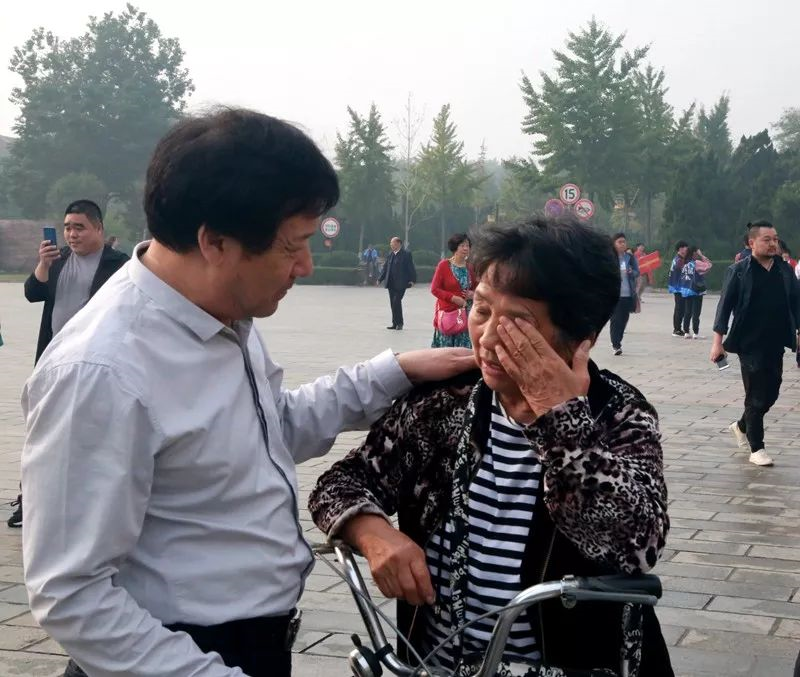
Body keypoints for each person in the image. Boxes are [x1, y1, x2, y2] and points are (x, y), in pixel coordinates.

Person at [21, 108, 475, 677]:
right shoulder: (102, 371)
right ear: (214, 241)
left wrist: (396, 371)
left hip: (254, 645)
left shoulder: (222, 315)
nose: (305, 266)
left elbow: (268, 430)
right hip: (173, 654)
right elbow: (71, 595)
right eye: (292, 246)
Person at [310, 216, 672, 677]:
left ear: (583, 339)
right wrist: (372, 532)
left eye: (519, 323)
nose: (488, 336)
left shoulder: (619, 414)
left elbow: (635, 546)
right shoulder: (444, 402)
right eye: (481, 310)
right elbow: (339, 483)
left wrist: (559, 417)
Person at [7, 200, 129, 529]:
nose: (72, 234)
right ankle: (29, 500)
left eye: (79, 227)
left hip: (97, 364)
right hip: (52, 361)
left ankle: (89, 503)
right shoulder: (57, 259)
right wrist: (43, 264)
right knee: (41, 433)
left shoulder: (120, 265)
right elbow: (33, 293)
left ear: (98, 229)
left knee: (92, 434)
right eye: (67, 228)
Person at [711, 220, 800, 467]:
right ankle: (757, 448)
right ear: (752, 243)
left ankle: (741, 426)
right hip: (749, 342)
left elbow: (796, 302)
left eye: (775, 239)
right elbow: (724, 307)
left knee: (772, 391)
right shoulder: (739, 271)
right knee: (756, 394)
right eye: (767, 239)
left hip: (776, 340)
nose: (773, 244)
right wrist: (717, 342)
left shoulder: (784, 270)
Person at [430, 233, 476, 348]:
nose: (466, 248)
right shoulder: (444, 265)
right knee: (446, 351)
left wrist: (474, 294)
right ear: (455, 247)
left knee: (464, 351)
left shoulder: (470, 268)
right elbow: (435, 289)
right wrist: (454, 298)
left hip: (466, 316)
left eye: (467, 245)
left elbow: (479, 288)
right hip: (448, 314)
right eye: (462, 245)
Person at [609, 232, 639, 356]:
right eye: (619, 242)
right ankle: (616, 345)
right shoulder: (610, 257)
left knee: (623, 319)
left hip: (628, 294)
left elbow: (637, 271)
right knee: (616, 319)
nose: (622, 244)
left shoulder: (630, 257)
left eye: (624, 242)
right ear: (614, 244)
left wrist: (632, 272)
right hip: (615, 294)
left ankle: (618, 340)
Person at [378, 236, 416, 330]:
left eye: (393, 243)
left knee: (396, 302)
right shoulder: (390, 254)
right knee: (392, 303)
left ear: (399, 244)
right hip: (391, 283)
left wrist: (412, 280)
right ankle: (394, 323)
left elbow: (410, 267)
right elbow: (385, 268)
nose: (391, 245)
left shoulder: (406, 254)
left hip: (401, 283)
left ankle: (400, 323)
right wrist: (380, 279)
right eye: (391, 243)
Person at [679, 246, 712, 339]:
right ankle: (695, 333)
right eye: (697, 253)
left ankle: (686, 332)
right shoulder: (696, 263)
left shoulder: (685, 264)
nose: (698, 254)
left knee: (687, 312)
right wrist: (702, 256)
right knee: (696, 313)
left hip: (686, 290)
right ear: (694, 253)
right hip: (696, 290)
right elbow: (709, 265)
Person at [667, 240, 689, 337]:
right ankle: (676, 329)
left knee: (680, 308)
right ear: (680, 249)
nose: (686, 249)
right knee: (680, 308)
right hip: (678, 287)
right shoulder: (679, 260)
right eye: (684, 247)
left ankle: (678, 328)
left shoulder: (678, 258)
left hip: (678, 286)